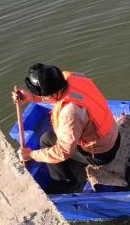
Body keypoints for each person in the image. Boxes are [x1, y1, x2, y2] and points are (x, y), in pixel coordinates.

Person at [12, 63, 120, 193]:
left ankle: (65, 183)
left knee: (46, 140)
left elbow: (63, 151)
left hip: (102, 154)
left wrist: (31, 155)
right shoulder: (72, 77)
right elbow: (55, 93)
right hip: (114, 136)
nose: (42, 97)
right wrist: (31, 97)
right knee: (58, 136)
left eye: (42, 95)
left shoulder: (70, 112)